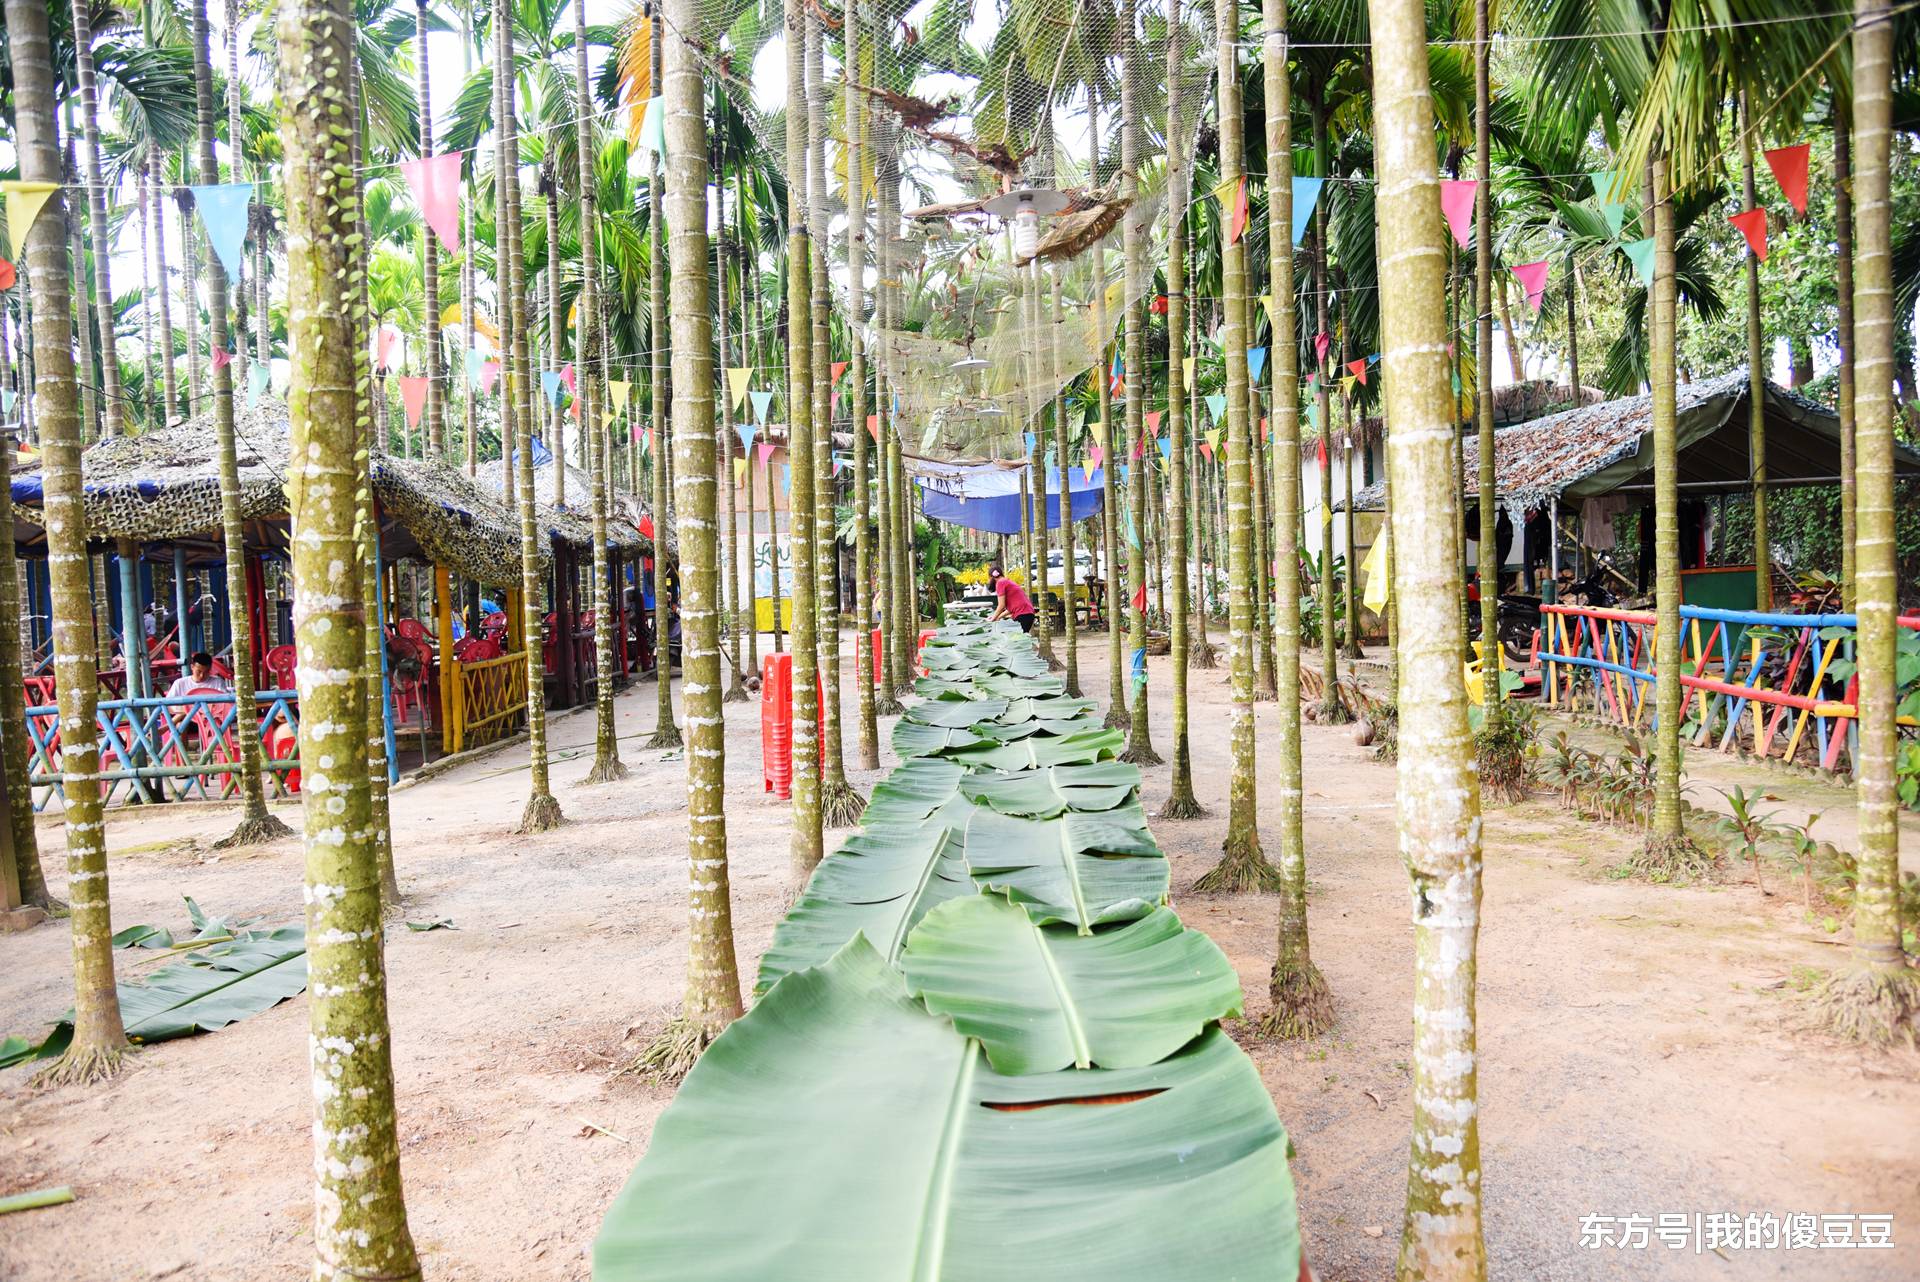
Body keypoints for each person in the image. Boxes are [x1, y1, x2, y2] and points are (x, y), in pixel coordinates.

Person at [987, 562, 1037, 633]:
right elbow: (1011, 609)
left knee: (1018, 641)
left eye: (989, 578)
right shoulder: (1007, 581)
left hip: (1023, 615)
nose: (988, 581)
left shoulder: (1000, 583)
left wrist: (992, 619)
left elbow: (1001, 605)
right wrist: (997, 617)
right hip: (1028, 614)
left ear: (992, 577)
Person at [165, 651, 231, 699]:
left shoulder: (217, 682)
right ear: (192, 667)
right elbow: (169, 706)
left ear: (210, 669)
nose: (202, 675)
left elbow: (225, 703)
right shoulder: (179, 683)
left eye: (206, 672)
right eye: (198, 671)